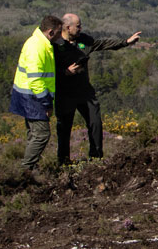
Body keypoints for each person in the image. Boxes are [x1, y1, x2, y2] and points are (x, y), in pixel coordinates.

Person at [53, 13, 141, 163]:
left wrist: (126, 42)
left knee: (95, 122)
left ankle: (96, 158)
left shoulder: (84, 40)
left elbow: (102, 44)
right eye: (78, 26)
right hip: (65, 93)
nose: (81, 28)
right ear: (68, 27)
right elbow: (47, 69)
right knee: (64, 129)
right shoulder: (55, 44)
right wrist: (65, 72)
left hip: (84, 91)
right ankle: (64, 162)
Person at [9, 15, 65, 171]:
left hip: (31, 97)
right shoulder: (37, 47)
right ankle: (25, 170)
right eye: (59, 32)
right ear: (51, 32)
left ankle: (30, 168)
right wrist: (46, 103)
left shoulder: (40, 43)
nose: (61, 36)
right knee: (41, 134)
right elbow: (35, 80)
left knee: (34, 134)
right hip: (33, 98)